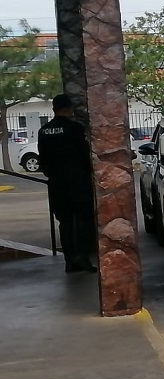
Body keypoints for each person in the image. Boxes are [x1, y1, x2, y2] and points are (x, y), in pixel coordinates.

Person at [38, 94, 97, 273]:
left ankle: (70, 261)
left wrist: (53, 175)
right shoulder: (75, 128)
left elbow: (43, 159)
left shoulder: (44, 131)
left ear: (54, 109)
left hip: (57, 184)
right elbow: (84, 155)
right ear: (69, 109)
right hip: (78, 182)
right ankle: (83, 258)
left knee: (64, 222)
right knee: (83, 221)